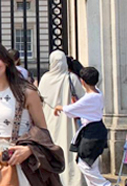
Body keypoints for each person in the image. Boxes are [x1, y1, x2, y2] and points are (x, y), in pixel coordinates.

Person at [0, 41, 47, 186]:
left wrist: (29, 149)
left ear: (6, 61)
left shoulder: (26, 92)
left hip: (20, 160)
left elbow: (43, 130)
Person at [54, 67, 110, 186]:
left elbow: (71, 109)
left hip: (92, 132)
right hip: (97, 129)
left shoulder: (90, 97)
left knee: (84, 163)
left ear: (82, 82)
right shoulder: (98, 93)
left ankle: (105, 185)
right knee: (91, 164)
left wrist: (60, 107)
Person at [39, 50, 85, 186]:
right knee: (68, 147)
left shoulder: (45, 79)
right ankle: (71, 180)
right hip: (68, 119)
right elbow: (82, 98)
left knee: (52, 146)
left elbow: (40, 99)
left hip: (49, 118)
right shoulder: (71, 78)